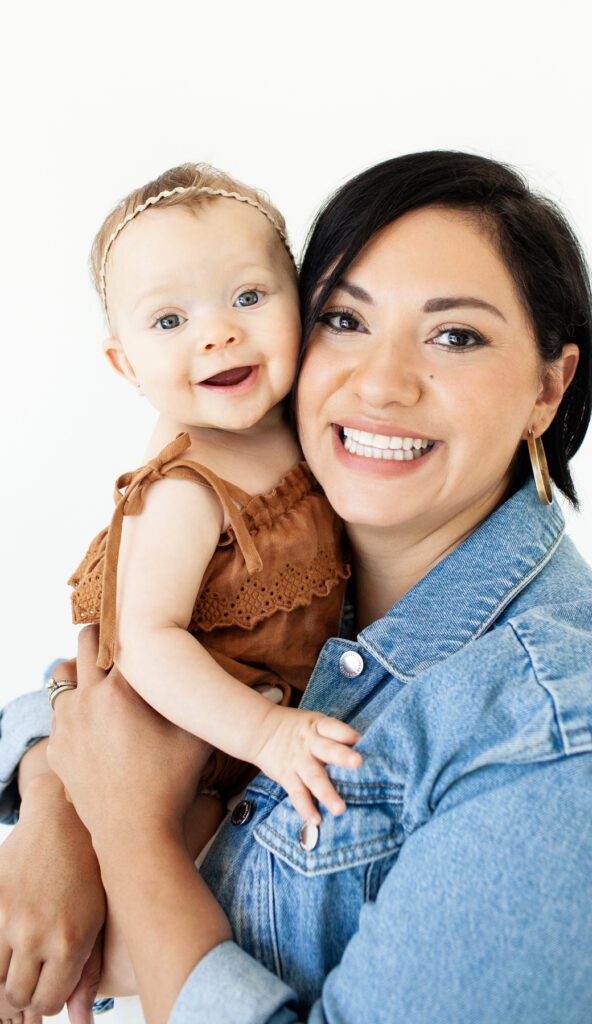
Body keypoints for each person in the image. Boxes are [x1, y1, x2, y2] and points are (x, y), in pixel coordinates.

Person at [2, 150, 592, 1024]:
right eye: (343, 319)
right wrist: (56, 794)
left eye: (455, 335)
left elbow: (121, 744)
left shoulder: (582, 749)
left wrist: (130, 840)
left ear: (547, 389)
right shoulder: (286, 548)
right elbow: (106, 668)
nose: (380, 382)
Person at [0, 161, 363, 1019]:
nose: (217, 336)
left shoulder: (302, 435)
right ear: (125, 362)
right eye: (171, 319)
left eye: (247, 298)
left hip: (227, 758)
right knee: (147, 914)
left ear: (301, 303)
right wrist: (265, 731)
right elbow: (151, 640)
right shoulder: (183, 488)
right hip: (181, 747)